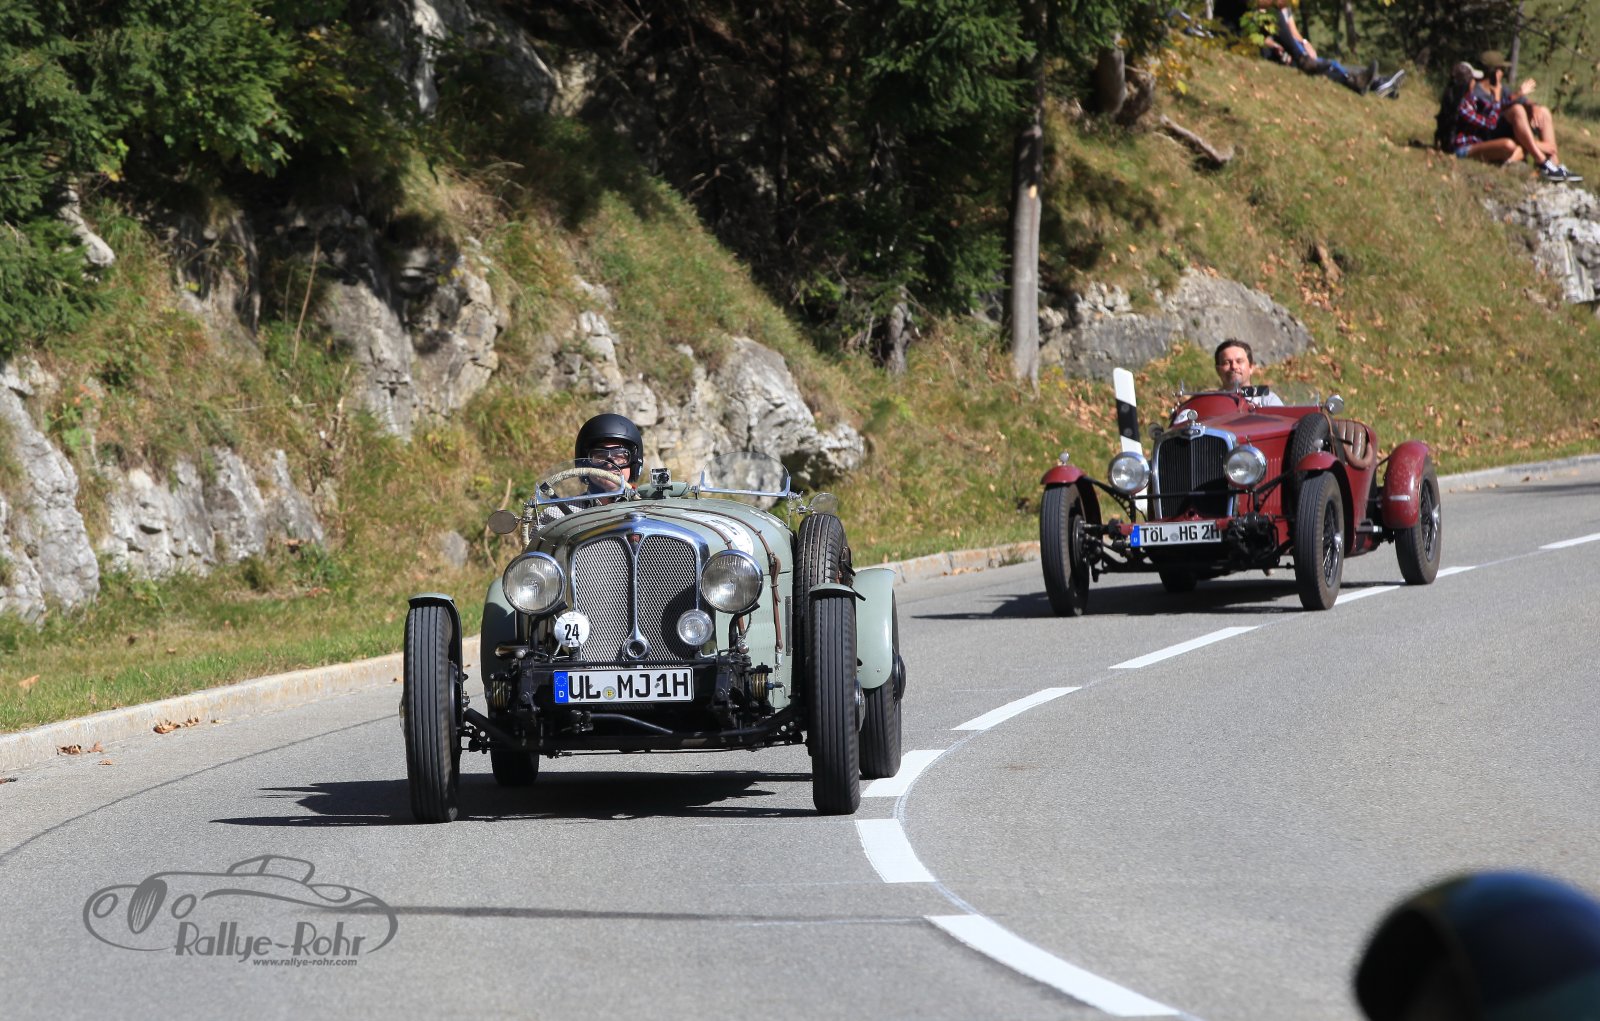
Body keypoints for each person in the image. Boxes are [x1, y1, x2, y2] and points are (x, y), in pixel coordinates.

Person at [1453, 53, 1580, 182]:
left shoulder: (1501, 88)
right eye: (1502, 69)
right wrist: (1503, 97)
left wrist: (1533, 107)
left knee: (1543, 112)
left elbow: (1519, 100)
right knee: (1517, 110)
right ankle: (1542, 161)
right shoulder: (1476, 92)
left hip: (1502, 129)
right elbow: (1489, 120)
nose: (1503, 73)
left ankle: (1553, 164)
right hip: (1489, 134)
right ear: (1495, 72)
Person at [1257, 0, 1404, 98]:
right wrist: (1278, 47)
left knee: (1329, 63)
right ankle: (1377, 83)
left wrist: (1305, 43)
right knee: (1329, 66)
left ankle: (1379, 84)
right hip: (1283, 54)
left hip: (1296, 51)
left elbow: (1293, 32)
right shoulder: (1264, 11)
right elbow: (1263, 37)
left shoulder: (1282, 8)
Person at [1214, 339, 1284, 406]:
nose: (1234, 366)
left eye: (1239, 361)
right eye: (1226, 363)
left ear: (1251, 367)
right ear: (1218, 370)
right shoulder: (1211, 401)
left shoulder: (1268, 400)